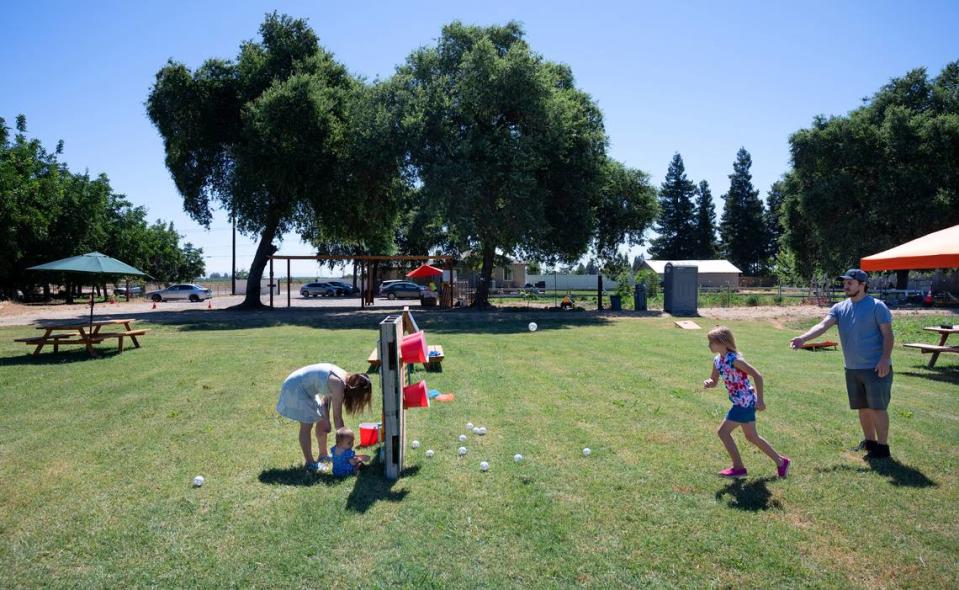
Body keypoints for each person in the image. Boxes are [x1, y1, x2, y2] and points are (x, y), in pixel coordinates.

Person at [790, 269, 894, 460]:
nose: (845, 286)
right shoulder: (840, 307)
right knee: (862, 407)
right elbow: (822, 326)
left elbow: (888, 334)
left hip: (876, 367)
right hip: (852, 368)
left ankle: (883, 447)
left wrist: (885, 359)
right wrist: (803, 338)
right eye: (844, 283)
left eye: (850, 283)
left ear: (862, 285)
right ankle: (869, 441)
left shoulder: (877, 306)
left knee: (878, 407)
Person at [704, 326, 791, 478]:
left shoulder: (735, 360)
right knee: (752, 437)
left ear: (723, 343)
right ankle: (781, 462)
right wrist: (709, 382)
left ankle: (738, 468)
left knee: (723, 432)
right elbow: (714, 380)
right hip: (740, 402)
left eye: (711, 342)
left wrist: (761, 400)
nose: (709, 345)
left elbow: (758, 376)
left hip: (744, 403)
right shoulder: (718, 360)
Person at [275, 363, 373, 472]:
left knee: (321, 418)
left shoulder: (344, 378)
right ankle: (310, 463)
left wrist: (326, 420)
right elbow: (337, 419)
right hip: (295, 388)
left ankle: (323, 454)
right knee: (306, 425)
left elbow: (325, 403)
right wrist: (345, 447)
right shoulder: (338, 384)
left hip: (304, 387)